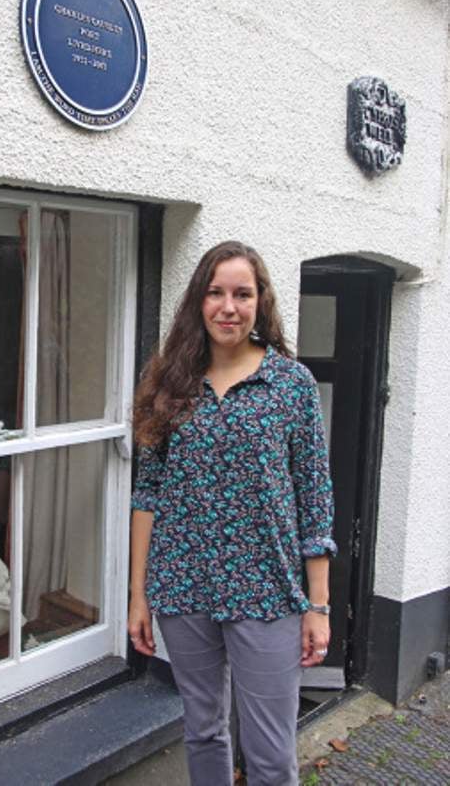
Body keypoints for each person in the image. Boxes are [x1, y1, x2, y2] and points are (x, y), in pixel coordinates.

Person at [128, 240, 337, 786]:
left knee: (270, 757)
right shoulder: (170, 383)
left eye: (242, 294)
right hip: (183, 586)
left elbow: (315, 497)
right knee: (203, 731)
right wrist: (138, 595)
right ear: (198, 301)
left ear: (260, 301)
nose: (228, 307)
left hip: (267, 591)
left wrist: (317, 605)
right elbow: (147, 494)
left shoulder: (290, 384)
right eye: (216, 293)